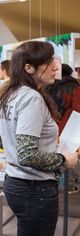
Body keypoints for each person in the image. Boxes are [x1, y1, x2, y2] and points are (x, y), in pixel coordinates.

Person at [0, 41, 79, 236]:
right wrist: (64, 159)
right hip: (35, 189)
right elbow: (27, 155)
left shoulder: (9, 94)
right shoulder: (31, 98)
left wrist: (22, 146)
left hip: (15, 183)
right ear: (29, 68)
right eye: (48, 62)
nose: (56, 67)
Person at [47, 63, 80, 194]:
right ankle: (69, 185)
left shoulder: (49, 86)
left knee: (56, 153)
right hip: (69, 127)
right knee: (70, 154)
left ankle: (57, 182)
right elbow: (78, 109)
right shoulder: (74, 87)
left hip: (52, 126)